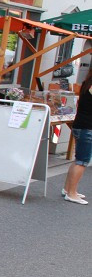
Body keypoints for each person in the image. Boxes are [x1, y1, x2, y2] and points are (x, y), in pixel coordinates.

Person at [63, 72, 92, 204]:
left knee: (78, 160)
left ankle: (68, 189)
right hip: (87, 128)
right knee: (82, 161)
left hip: (81, 125)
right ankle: (71, 193)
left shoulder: (87, 83)